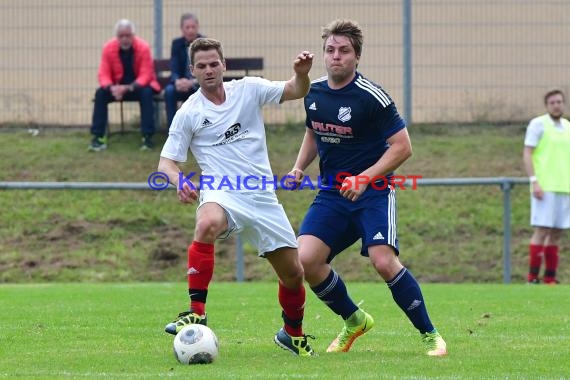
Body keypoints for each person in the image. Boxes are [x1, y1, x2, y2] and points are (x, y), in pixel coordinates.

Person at [286, 19, 447, 356]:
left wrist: (365, 178)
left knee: (383, 262)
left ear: (357, 56)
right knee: (305, 261)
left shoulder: (372, 97)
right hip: (332, 194)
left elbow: (403, 147)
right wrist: (300, 167)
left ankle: (430, 334)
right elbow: (314, 132)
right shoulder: (313, 92)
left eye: (344, 51)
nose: (335, 56)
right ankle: (354, 320)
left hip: (373, 192)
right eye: (330, 50)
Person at [158, 38, 316, 356]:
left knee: (294, 273)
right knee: (206, 222)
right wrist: (178, 181)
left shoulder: (248, 90)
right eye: (201, 66)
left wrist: (301, 74)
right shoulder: (188, 112)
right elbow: (166, 163)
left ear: (224, 65)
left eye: (213, 63)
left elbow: (296, 90)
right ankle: (197, 310)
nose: (208, 70)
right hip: (222, 192)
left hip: (261, 197)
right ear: (193, 71)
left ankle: (292, 334)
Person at [89, 19, 160, 151]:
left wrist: (128, 87)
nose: (125, 39)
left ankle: (147, 137)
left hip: (138, 87)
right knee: (100, 94)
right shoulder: (108, 48)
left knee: (147, 93)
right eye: (121, 36)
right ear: (117, 37)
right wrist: (111, 88)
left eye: (128, 35)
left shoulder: (143, 47)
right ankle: (98, 137)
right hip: (117, 88)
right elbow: (103, 74)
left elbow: (146, 74)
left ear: (133, 35)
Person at [523, 89, 570, 284]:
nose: (556, 105)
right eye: (552, 102)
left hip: (564, 187)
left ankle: (550, 277)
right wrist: (534, 180)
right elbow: (527, 153)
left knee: (557, 232)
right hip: (545, 187)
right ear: (547, 105)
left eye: (559, 102)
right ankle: (532, 277)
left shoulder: (567, 126)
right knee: (541, 230)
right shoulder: (538, 124)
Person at [164, 13, 204, 129]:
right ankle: (173, 130)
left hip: (198, 83)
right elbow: (174, 65)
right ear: (182, 29)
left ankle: (198, 129)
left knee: (202, 92)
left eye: (193, 27)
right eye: (187, 27)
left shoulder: (204, 43)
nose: (191, 30)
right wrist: (177, 81)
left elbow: (206, 69)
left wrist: (193, 82)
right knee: (169, 91)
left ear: (197, 27)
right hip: (181, 83)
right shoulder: (176, 44)